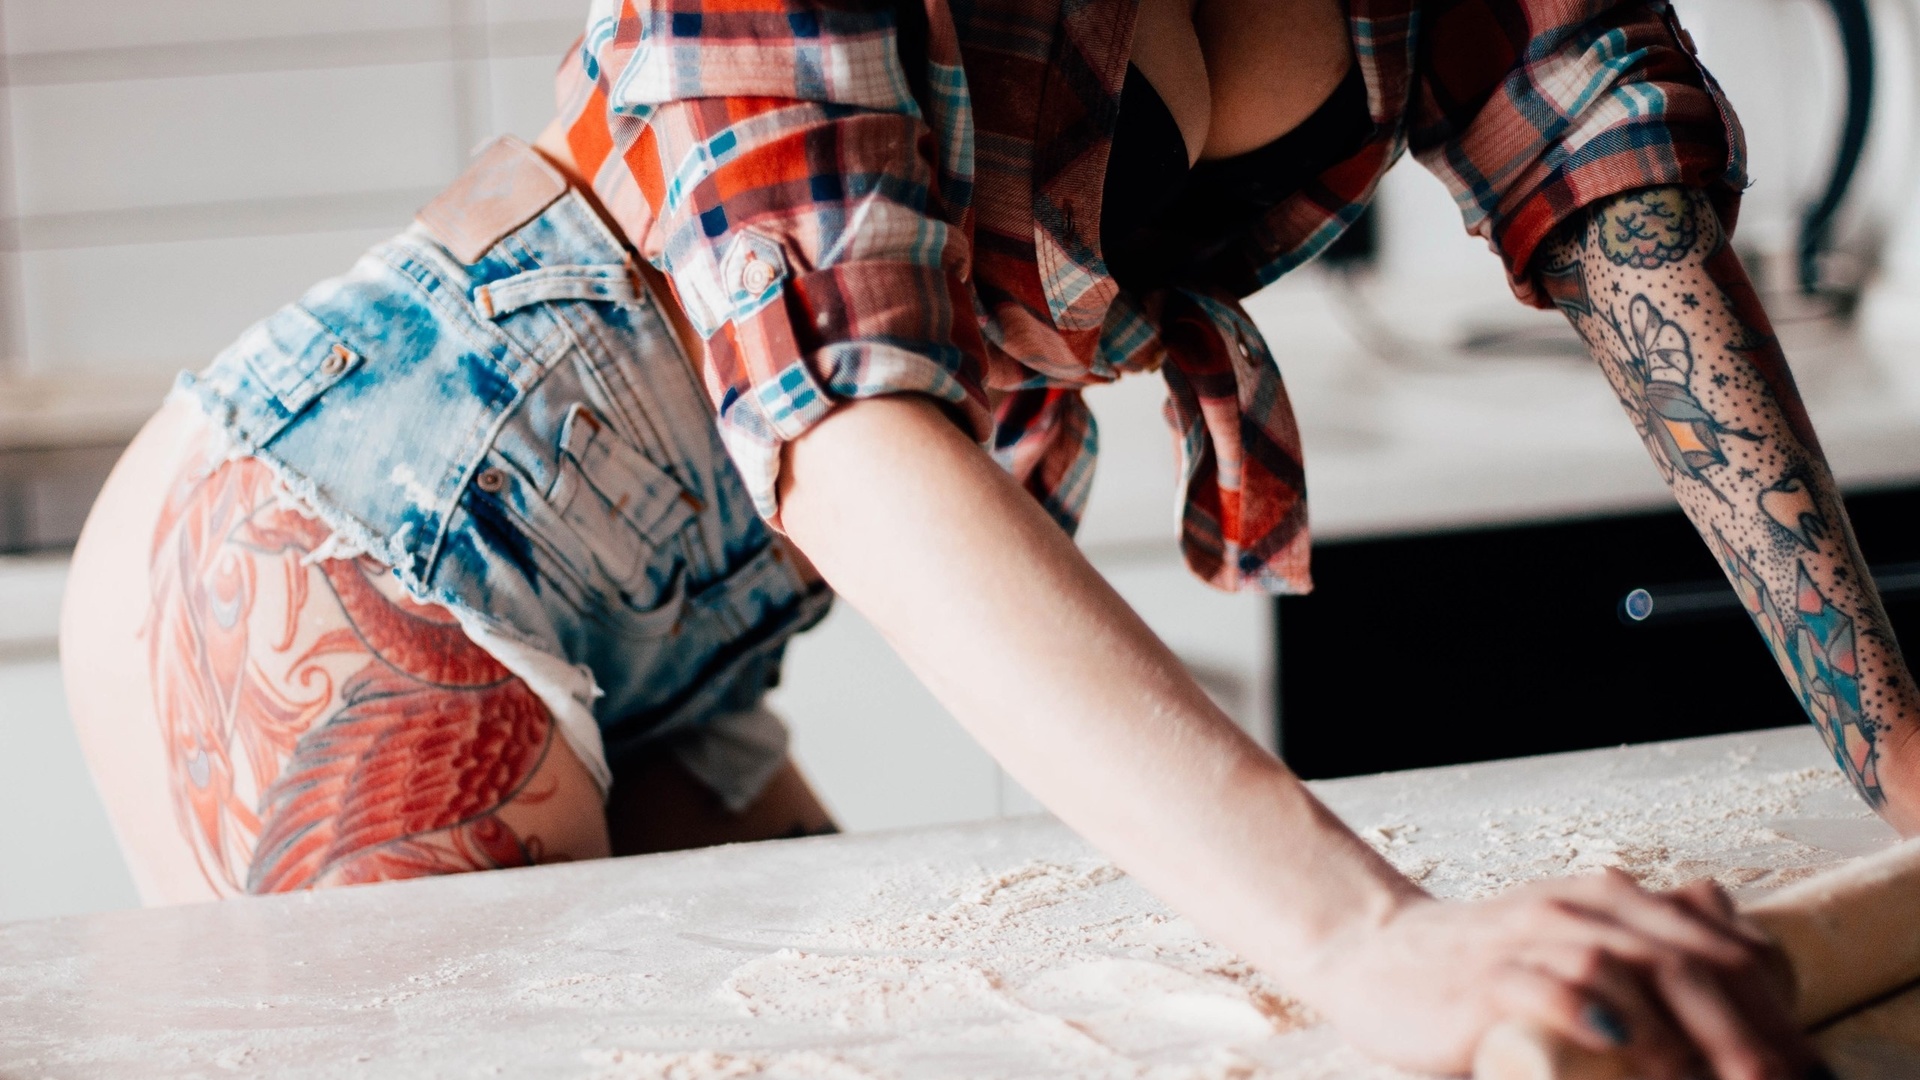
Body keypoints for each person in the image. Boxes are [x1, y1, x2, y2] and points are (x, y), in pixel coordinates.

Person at [59, 0, 1913, 1073]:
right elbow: (849, 435)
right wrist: (1371, 942)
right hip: (355, 559)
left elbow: (1621, 211)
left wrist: (1904, 762)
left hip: (695, 643)